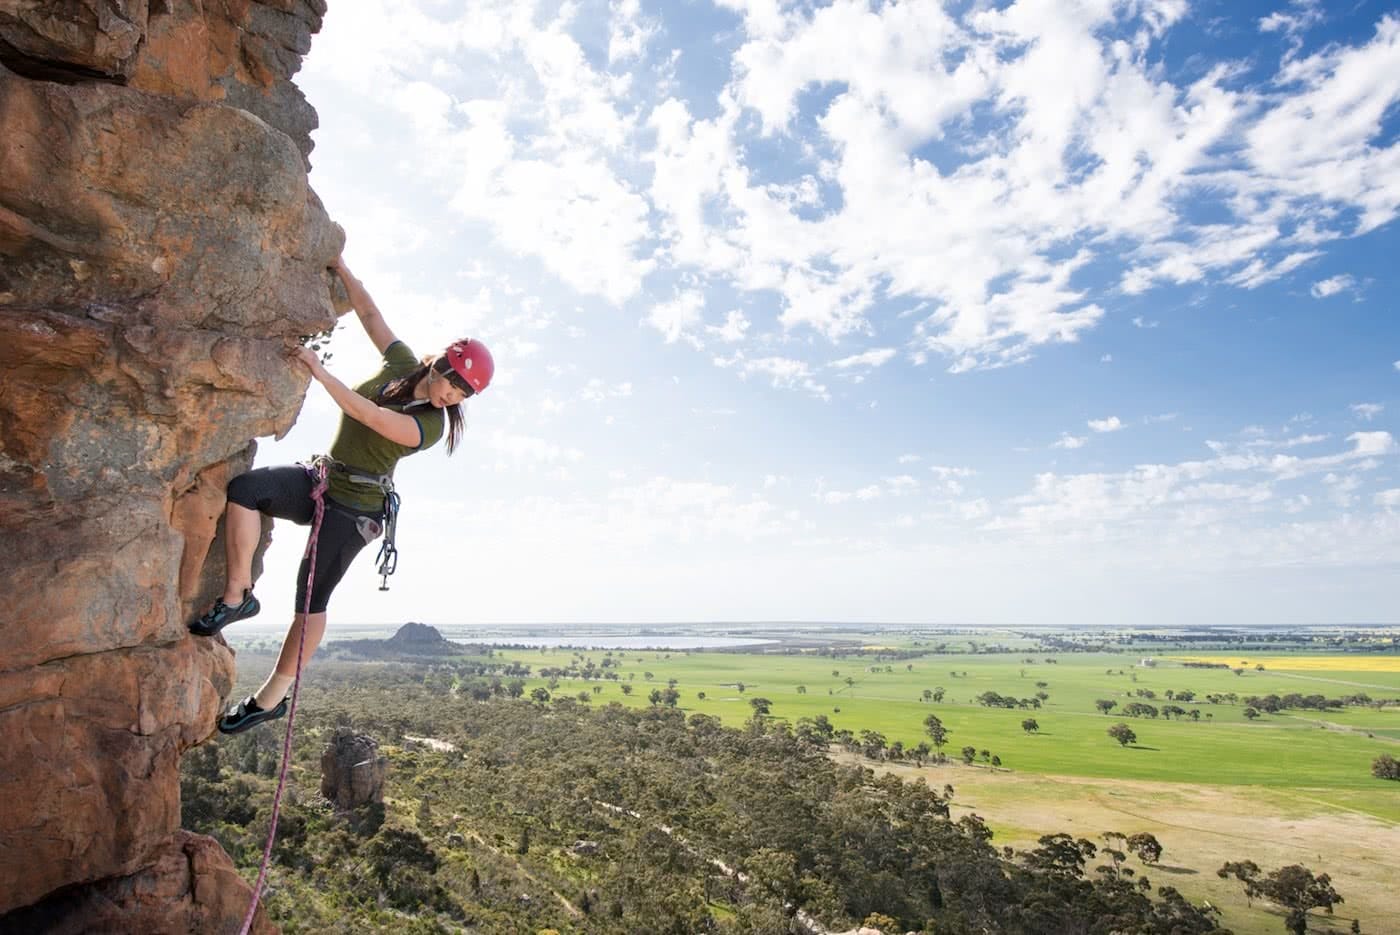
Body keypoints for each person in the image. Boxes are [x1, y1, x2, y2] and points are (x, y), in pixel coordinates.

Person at [189, 257, 493, 734]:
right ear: (439, 364)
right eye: (453, 382)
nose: (453, 396)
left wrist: (317, 371)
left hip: (354, 510)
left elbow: (371, 417)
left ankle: (270, 698)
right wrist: (343, 269)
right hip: (322, 481)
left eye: (464, 394)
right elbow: (372, 317)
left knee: (309, 601)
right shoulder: (402, 365)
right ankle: (237, 595)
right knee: (247, 490)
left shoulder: (431, 426)